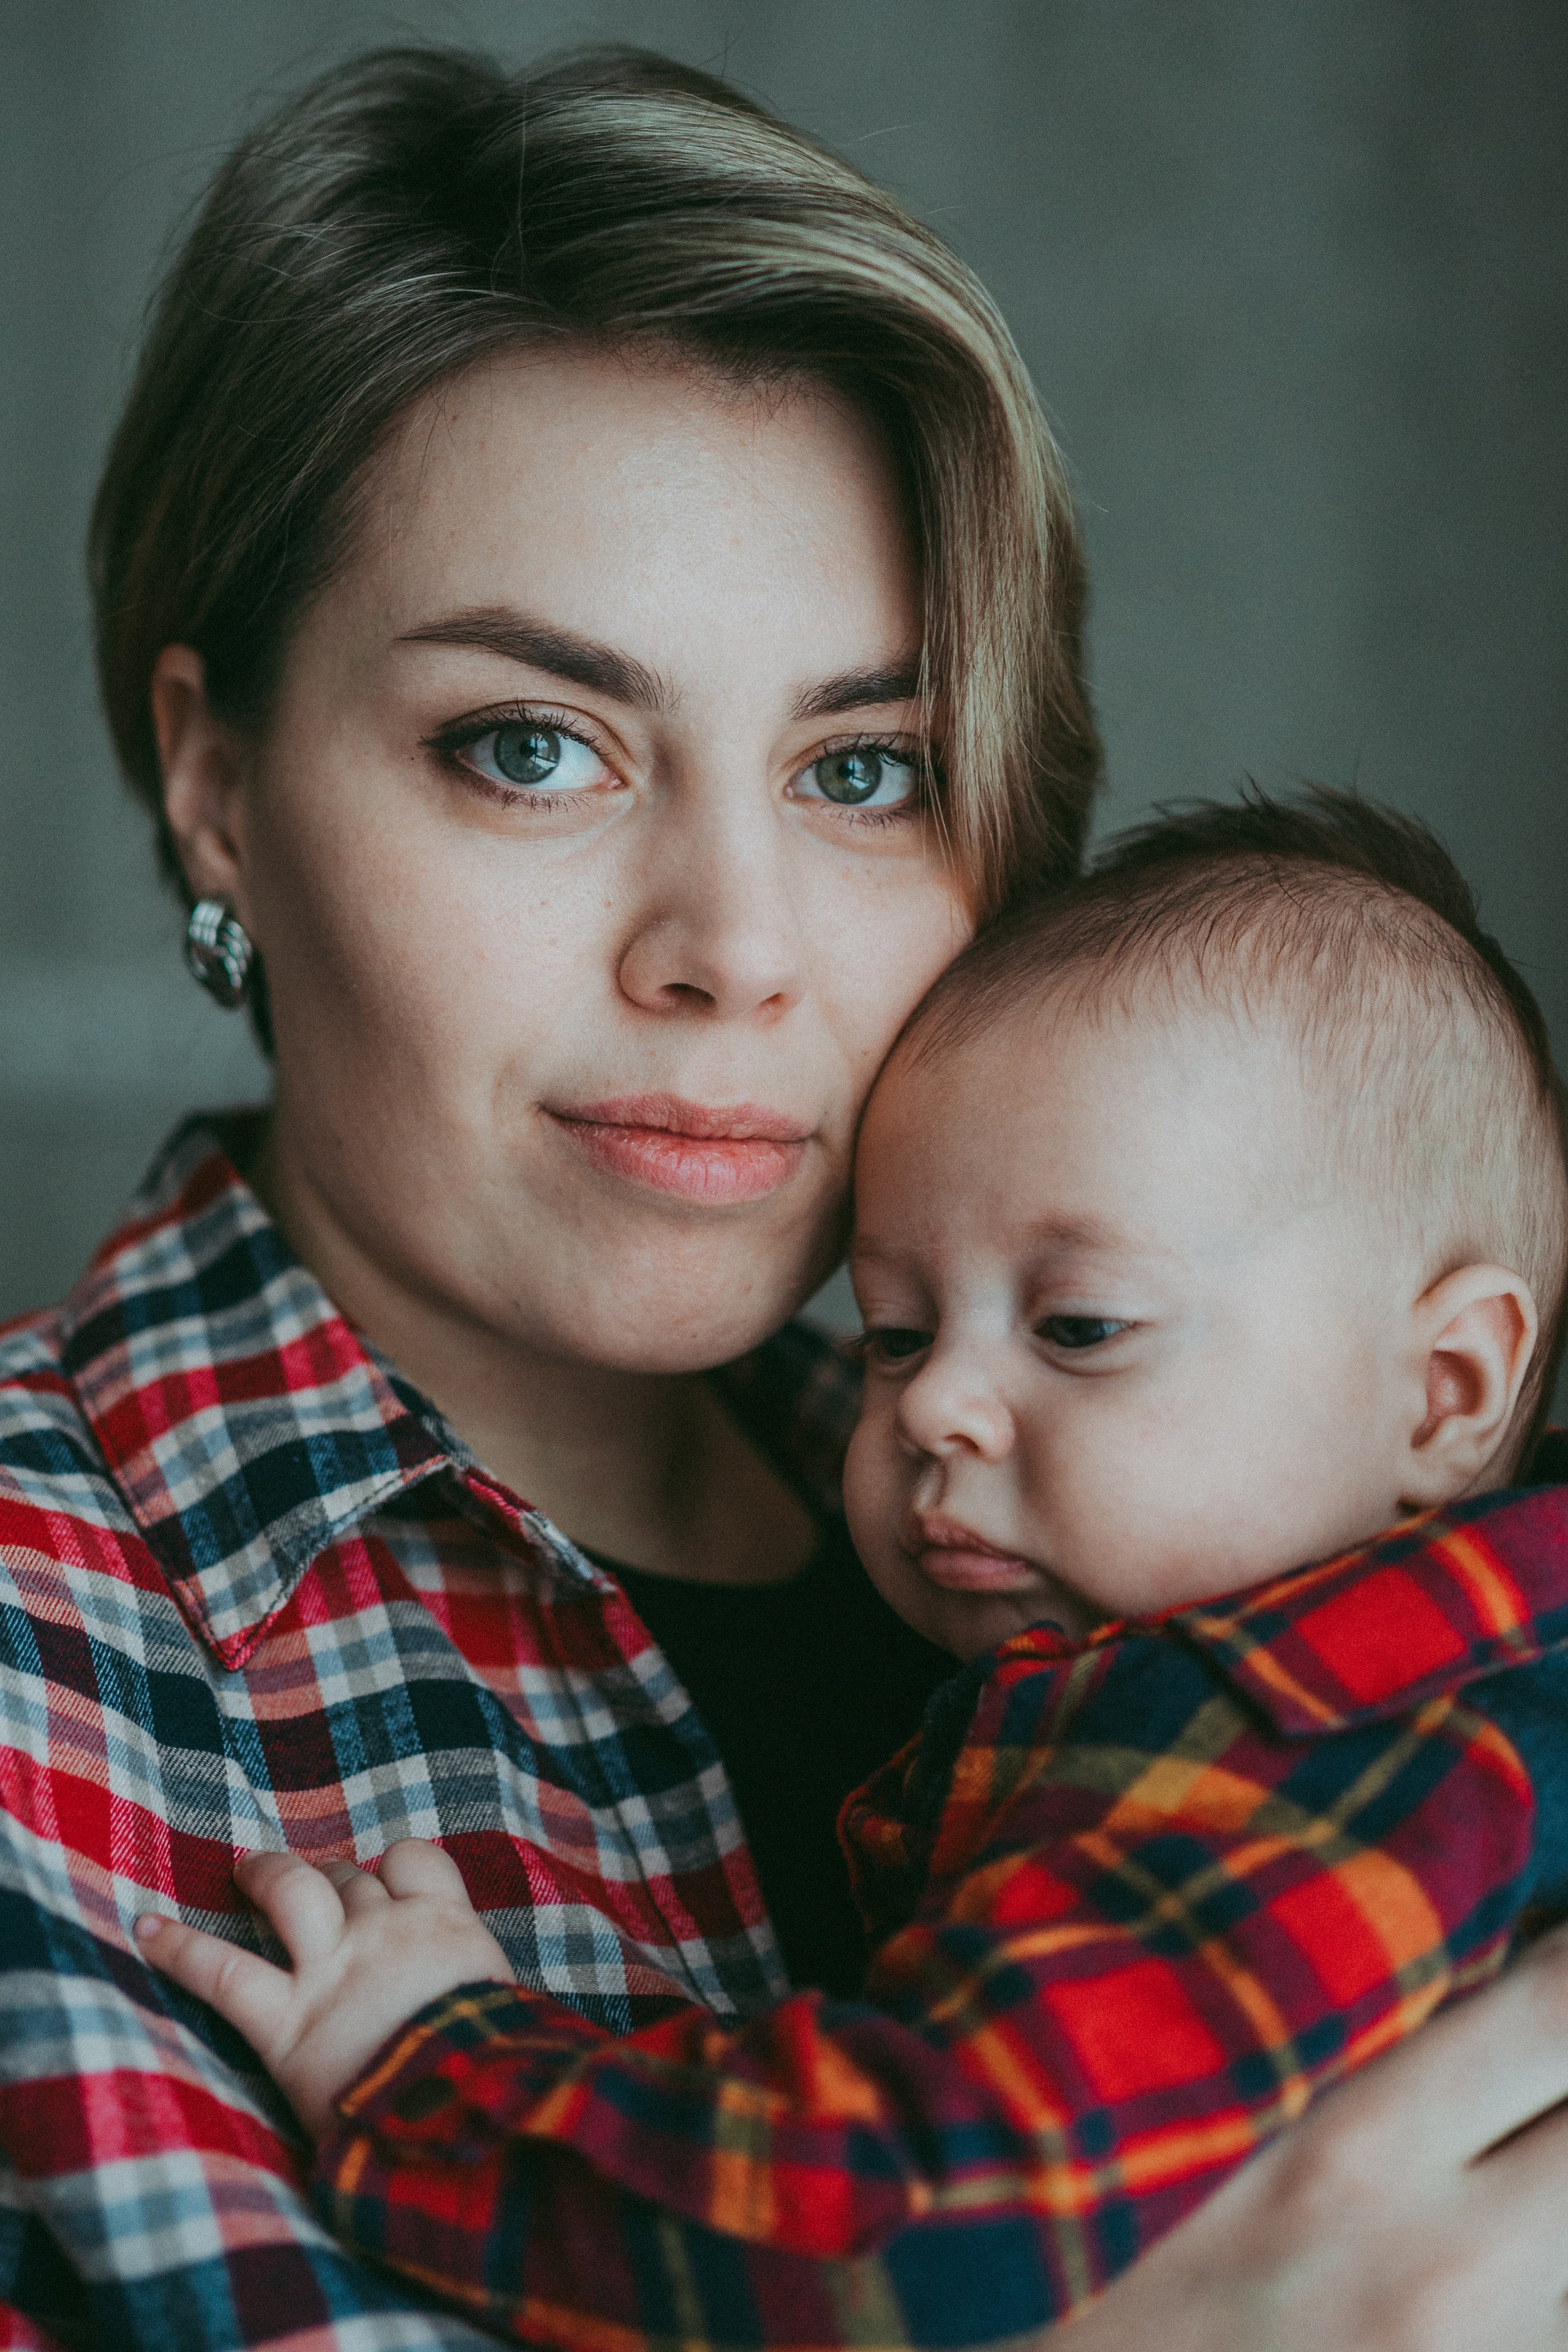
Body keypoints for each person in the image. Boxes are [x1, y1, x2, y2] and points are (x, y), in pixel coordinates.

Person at [3, 37, 1568, 2352]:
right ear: (217, 782)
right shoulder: (53, 1640)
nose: (732, 944)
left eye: (865, 768)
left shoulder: (1250, 1542)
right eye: (531, 749)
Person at [140, 787, 1568, 2337]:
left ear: (1446, 1388)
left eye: (1078, 1326)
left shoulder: (1286, 1744)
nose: (934, 1405)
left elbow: (899, 2223)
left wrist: (428, 2069)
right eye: (894, 1331)